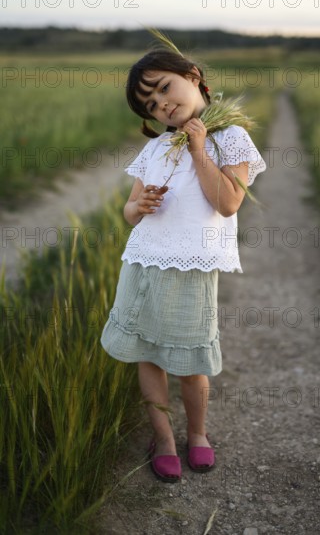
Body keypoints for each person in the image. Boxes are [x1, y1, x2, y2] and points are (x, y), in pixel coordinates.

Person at [100, 46, 266, 483]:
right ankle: (164, 438)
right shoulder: (156, 148)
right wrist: (141, 207)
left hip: (192, 266)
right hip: (144, 261)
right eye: (151, 105)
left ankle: (197, 434)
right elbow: (129, 210)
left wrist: (198, 150)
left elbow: (229, 203)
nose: (163, 105)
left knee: (192, 361)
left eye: (164, 88)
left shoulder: (230, 138)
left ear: (192, 75)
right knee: (147, 354)